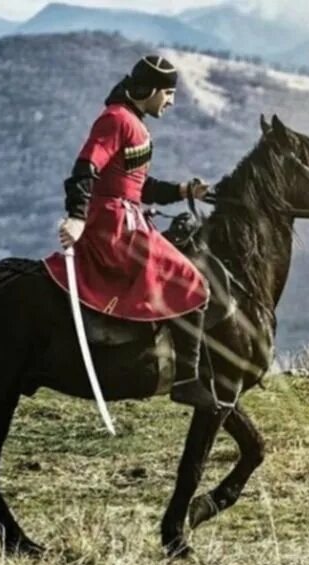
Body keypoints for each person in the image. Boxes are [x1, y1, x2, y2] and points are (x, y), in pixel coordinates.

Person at [43, 55, 216, 409]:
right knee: (193, 283)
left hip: (125, 215)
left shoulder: (130, 120)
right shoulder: (116, 120)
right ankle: (185, 379)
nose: (171, 101)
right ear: (150, 90)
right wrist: (76, 217)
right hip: (114, 227)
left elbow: (136, 186)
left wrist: (183, 191)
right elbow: (84, 168)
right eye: (167, 93)